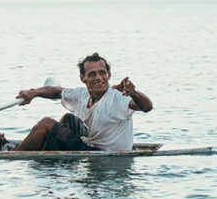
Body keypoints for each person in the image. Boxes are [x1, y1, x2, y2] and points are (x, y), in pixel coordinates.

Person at [13, 53, 153, 152]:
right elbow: (56, 92)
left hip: (102, 154)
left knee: (45, 123)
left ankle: (16, 155)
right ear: (83, 78)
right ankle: (47, 152)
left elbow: (147, 107)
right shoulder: (81, 95)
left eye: (102, 73)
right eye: (92, 74)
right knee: (68, 119)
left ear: (108, 75)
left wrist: (133, 93)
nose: (99, 78)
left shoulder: (117, 97)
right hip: (90, 145)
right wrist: (33, 93)